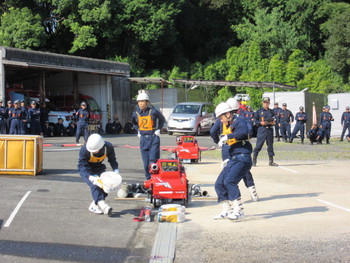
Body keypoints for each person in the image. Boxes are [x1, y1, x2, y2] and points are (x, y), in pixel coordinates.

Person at [210, 98, 259, 203]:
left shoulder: (237, 121)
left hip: (235, 150)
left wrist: (221, 139)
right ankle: (252, 192)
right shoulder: (239, 118)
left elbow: (213, 131)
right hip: (233, 149)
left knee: (230, 178)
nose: (221, 120)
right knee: (236, 175)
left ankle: (236, 206)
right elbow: (249, 132)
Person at [78, 133, 120, 216]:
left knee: (106, 186)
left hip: (99, 167)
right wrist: (90, 176)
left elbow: (112, 159)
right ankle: (103, 206)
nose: (93, 152)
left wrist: (115, 169)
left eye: (95, 150)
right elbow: (82, 165)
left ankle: (94, 205)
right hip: (86, 169)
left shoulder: (108, 147)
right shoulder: (84, 149)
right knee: (95, 185)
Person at [132, 90, 165, 179]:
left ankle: (155, 179)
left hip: (153, 138)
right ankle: (148, 179)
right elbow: (134, 123)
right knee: (146, 163)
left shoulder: (153, 111)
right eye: (139, 102)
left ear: (147, 102)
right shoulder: (136, 113)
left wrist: (158, 129)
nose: (141, 104)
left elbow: (162, 119)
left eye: (143, 101)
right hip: (143, 139)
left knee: (153, 162)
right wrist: (138, 131)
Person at [253, 97, 278, 167]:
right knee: (259, 145)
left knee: (270, 146)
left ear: (269, 103)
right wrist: (260, 123)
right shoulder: (259, 111)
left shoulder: (272, 111)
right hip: (262, 129)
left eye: (267, 102)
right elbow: (255, 120)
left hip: (269, 129)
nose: (265, 104)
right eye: (264, 102)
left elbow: (274, 120)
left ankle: (271, 161)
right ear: (262, 103)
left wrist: (272, 122)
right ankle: (254, 160)